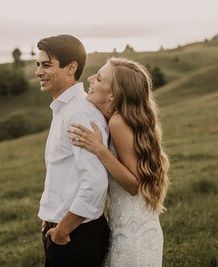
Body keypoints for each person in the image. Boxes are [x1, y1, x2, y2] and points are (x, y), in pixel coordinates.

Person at [68, 57, 170, 266]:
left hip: (133, 235)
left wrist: (99, 149)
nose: (90, 79)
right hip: (134, 227)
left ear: (113, 94)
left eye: (98, 78)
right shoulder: (120, 119)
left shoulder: (118, 121)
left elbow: (134, 185)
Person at [36, 35, 110, 267]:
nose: (39, 71)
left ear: (71, 68)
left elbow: (95, 184)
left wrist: (62, 229)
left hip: (76, 235)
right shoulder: (65, 109)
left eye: (47, 65)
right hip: (64, 230)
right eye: (37, 65)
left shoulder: (79, 114)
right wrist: (51, 216)